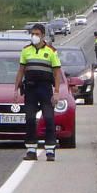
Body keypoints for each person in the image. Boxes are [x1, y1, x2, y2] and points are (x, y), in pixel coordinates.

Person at [14, 22, 62, 162]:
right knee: (29, 118)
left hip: (45, 89)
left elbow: (57, 73)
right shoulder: (26, 50)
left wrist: (57, 91)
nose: (34, 36)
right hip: (30, 89)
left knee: (48, 118)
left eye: (37, 34)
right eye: (32, 34)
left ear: (43, 36)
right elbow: (21, 71)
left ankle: (50, 150)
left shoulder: (51, 51)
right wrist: (15, 89)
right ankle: (31, 150)